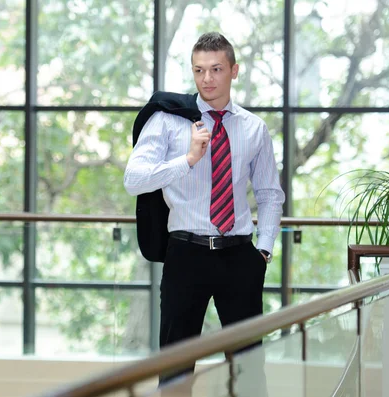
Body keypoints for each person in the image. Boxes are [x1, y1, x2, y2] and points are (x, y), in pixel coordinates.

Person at [123, 32, 285, 385]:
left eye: (216, 69)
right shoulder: (167, 120)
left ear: (234, 70)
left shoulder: (254, 128)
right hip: (186, 255)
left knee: (248, 372)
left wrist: (265, 250)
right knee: (176, 370)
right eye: (199, 70)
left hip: (240, 256)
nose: (207, 79)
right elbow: (133, 180)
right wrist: (188, 159)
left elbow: (271, 193)